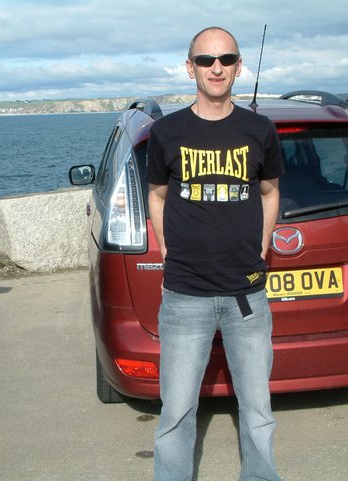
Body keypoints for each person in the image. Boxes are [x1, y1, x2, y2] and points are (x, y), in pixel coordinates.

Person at [147, 26, 284, 481]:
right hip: (185, 295)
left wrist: (263, 242)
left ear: (238, 66)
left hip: (248, 296)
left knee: (258, 409)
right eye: (206, 60)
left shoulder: (260, 130)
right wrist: (167, 249)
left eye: (226, 59)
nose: (216, 68)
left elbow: (269, 191)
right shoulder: (166, 132)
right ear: (191, 68)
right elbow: (157, 196)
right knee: (176, 412)